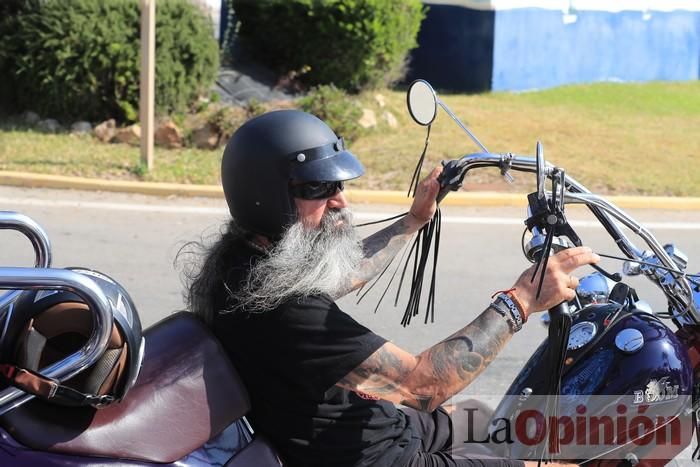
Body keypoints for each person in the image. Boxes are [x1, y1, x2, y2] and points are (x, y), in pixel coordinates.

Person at [185, 110, 598, 467]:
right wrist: (522, 300)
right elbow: (422, 387)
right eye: (318, 188)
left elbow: (336, 273)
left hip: (373, 427)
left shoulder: (244, 266)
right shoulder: (285, 312)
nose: (340, 201)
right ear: (267, 196)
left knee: (491, 418)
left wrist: (413, 220)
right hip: (377, 457)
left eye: (338, 185)